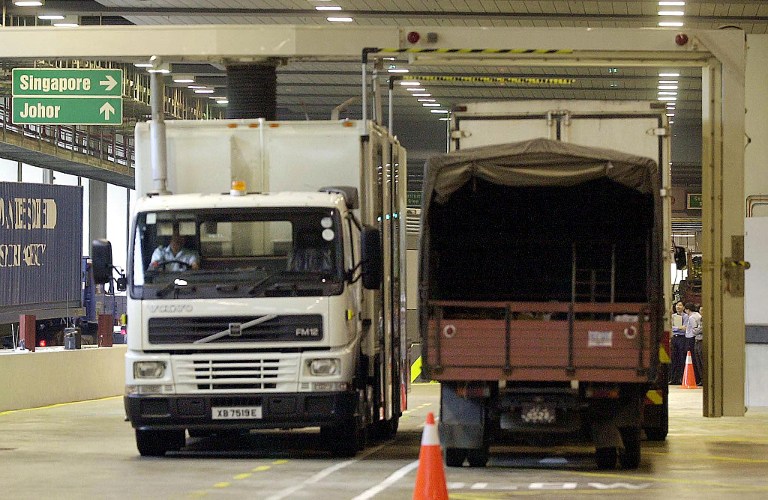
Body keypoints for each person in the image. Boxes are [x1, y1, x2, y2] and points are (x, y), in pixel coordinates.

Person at [670, 301, 688, 385]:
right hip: (674, 338)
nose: (678, 307)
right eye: (677, 305)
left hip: (682, 338)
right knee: (673, 358)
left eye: (680, 305)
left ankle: (681, 378)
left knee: (681, 358)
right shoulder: (673, 316)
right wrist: (678, 328)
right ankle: (673, 378)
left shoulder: (686, 316)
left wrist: (676, 328)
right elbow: (671, 327)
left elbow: (685, 328)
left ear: (683, 307)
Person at [686, 303, 703, 386]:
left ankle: (702, 379)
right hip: (696, 339)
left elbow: (695, 330)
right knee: (698, 361)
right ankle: (701, 379)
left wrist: (695, 331)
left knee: (700, 361)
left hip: (699, 340)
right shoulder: (699, 317)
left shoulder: (692, 317)